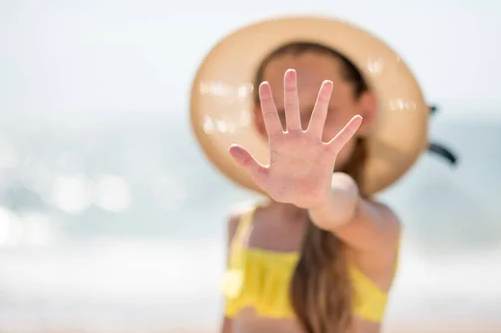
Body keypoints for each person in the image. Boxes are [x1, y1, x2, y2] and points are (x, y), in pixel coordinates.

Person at [190, 17, 457, 333]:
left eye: (321, 110)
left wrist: (320, 195)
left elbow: (342, 205)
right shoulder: (242, 224)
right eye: (281, 112)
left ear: (366, 112)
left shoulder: (378, 228)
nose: (300, 130)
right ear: (260, 121)